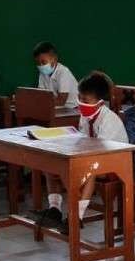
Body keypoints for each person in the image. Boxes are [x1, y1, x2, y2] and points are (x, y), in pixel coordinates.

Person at [34, 72, 127, 233]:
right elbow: (84, 140)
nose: (81, 103)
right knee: (50, 164)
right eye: (80, 98)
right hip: (92, 157)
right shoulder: (86, 115)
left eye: (86, 100)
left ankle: (76, 218)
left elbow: (99, 150)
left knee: (88, 172)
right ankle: (54, 209)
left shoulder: (109, 120)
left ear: (100, 102)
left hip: (115, 162)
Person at [33, 41, 78, 107]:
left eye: (44, 62)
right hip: (59, 108)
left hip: (74, 109)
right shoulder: (42, 73)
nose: (41, 66)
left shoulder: (63, 72)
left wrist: (41, 103)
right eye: (38, 63)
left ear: (55, 59)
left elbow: (61, 101)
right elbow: (41, 95)